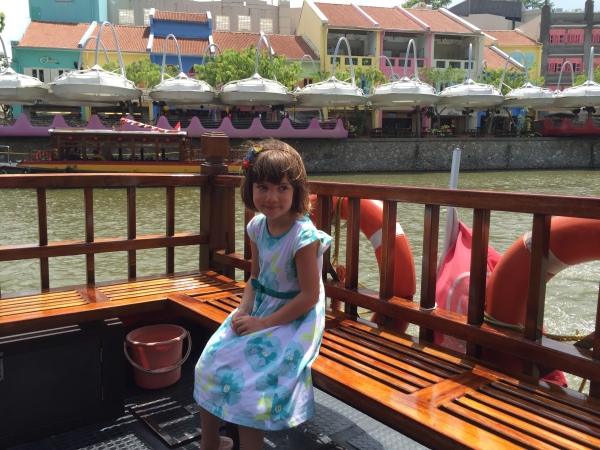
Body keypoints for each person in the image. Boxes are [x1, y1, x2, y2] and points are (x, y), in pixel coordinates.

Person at [193, 139, 331, 450]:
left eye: (282, 188)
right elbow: (256, 277)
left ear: (296, 191)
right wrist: (244, 310)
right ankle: (211, 442)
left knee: (249, 384)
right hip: (264, 307)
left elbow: (309, 296)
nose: (271, 197)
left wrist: (263, 323)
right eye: (263, 186)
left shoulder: (303, 237)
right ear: (250, 188)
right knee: (209, 360)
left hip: (296, 317)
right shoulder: (257, 227)